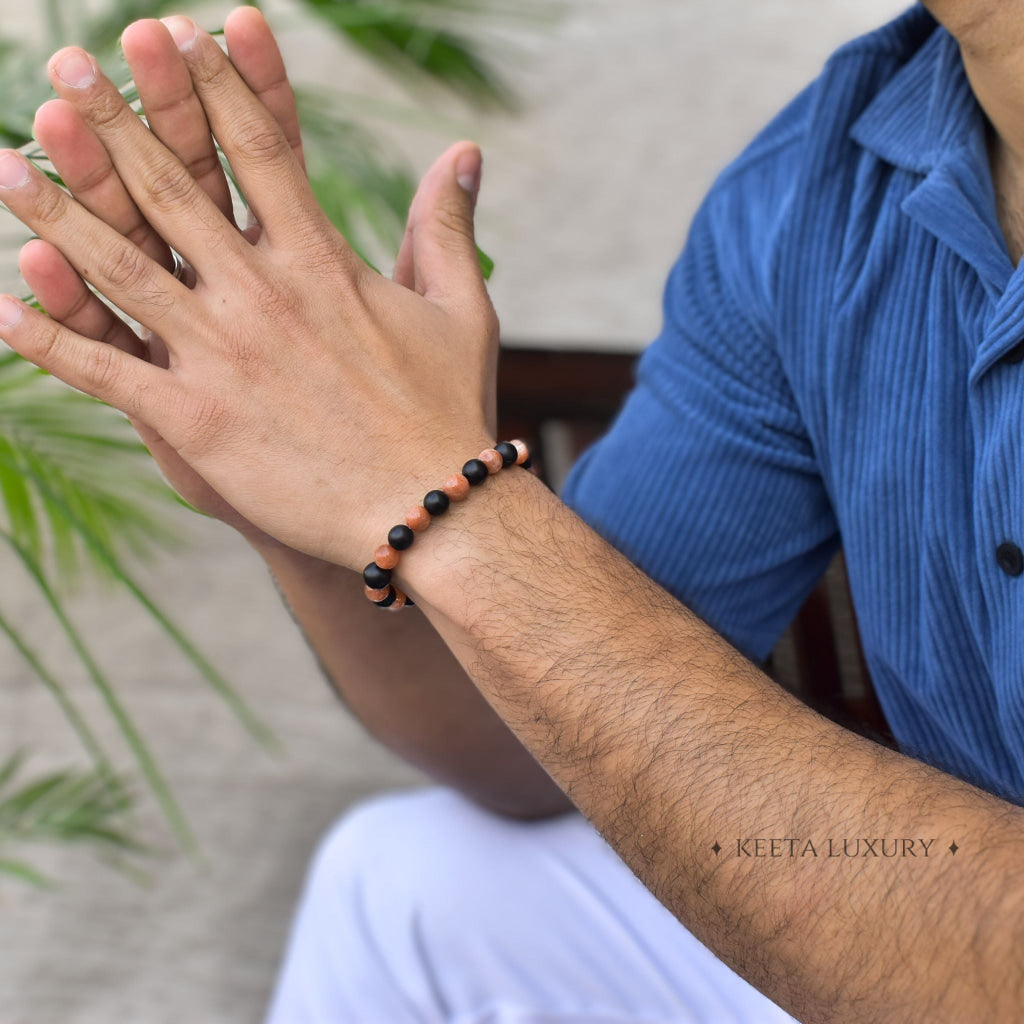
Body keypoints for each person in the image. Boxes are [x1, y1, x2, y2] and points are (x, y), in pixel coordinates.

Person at [1, 0, 1023, 1019]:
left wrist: (449, 504)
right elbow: (537, 749)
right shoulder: (817, 179)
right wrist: (314, 503)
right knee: (413, 880)